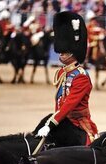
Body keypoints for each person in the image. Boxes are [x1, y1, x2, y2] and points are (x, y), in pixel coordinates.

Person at [37, 11, 98, 146]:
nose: (61, 54)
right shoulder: (61, 73)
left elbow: (68, 105)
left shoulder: (81, 77)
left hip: (78, 125)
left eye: (64, 52)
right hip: (62, 121)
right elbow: (59, 104)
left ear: (73, 52)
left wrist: (52, 124)